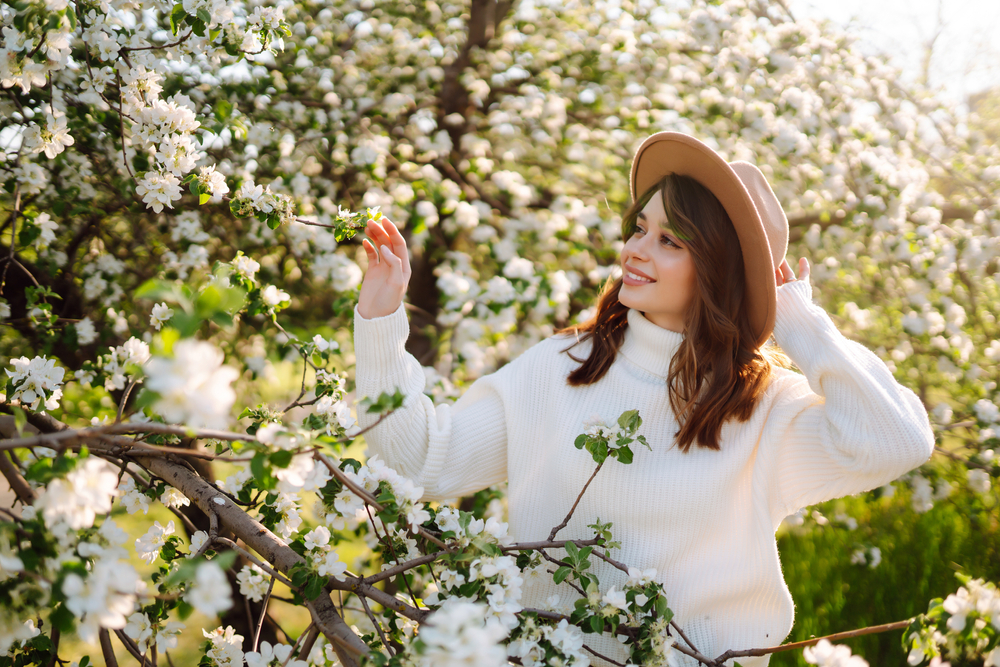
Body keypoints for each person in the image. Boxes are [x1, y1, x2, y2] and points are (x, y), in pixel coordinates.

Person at [351, 132, 934, 666]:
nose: (635, 249)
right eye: (638, 228)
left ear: (715, 269)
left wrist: (801, 322)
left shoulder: (763, 408)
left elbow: (897, 441)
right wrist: (380, 320)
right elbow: (423, 461)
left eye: (668, 240)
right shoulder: (563, 368)